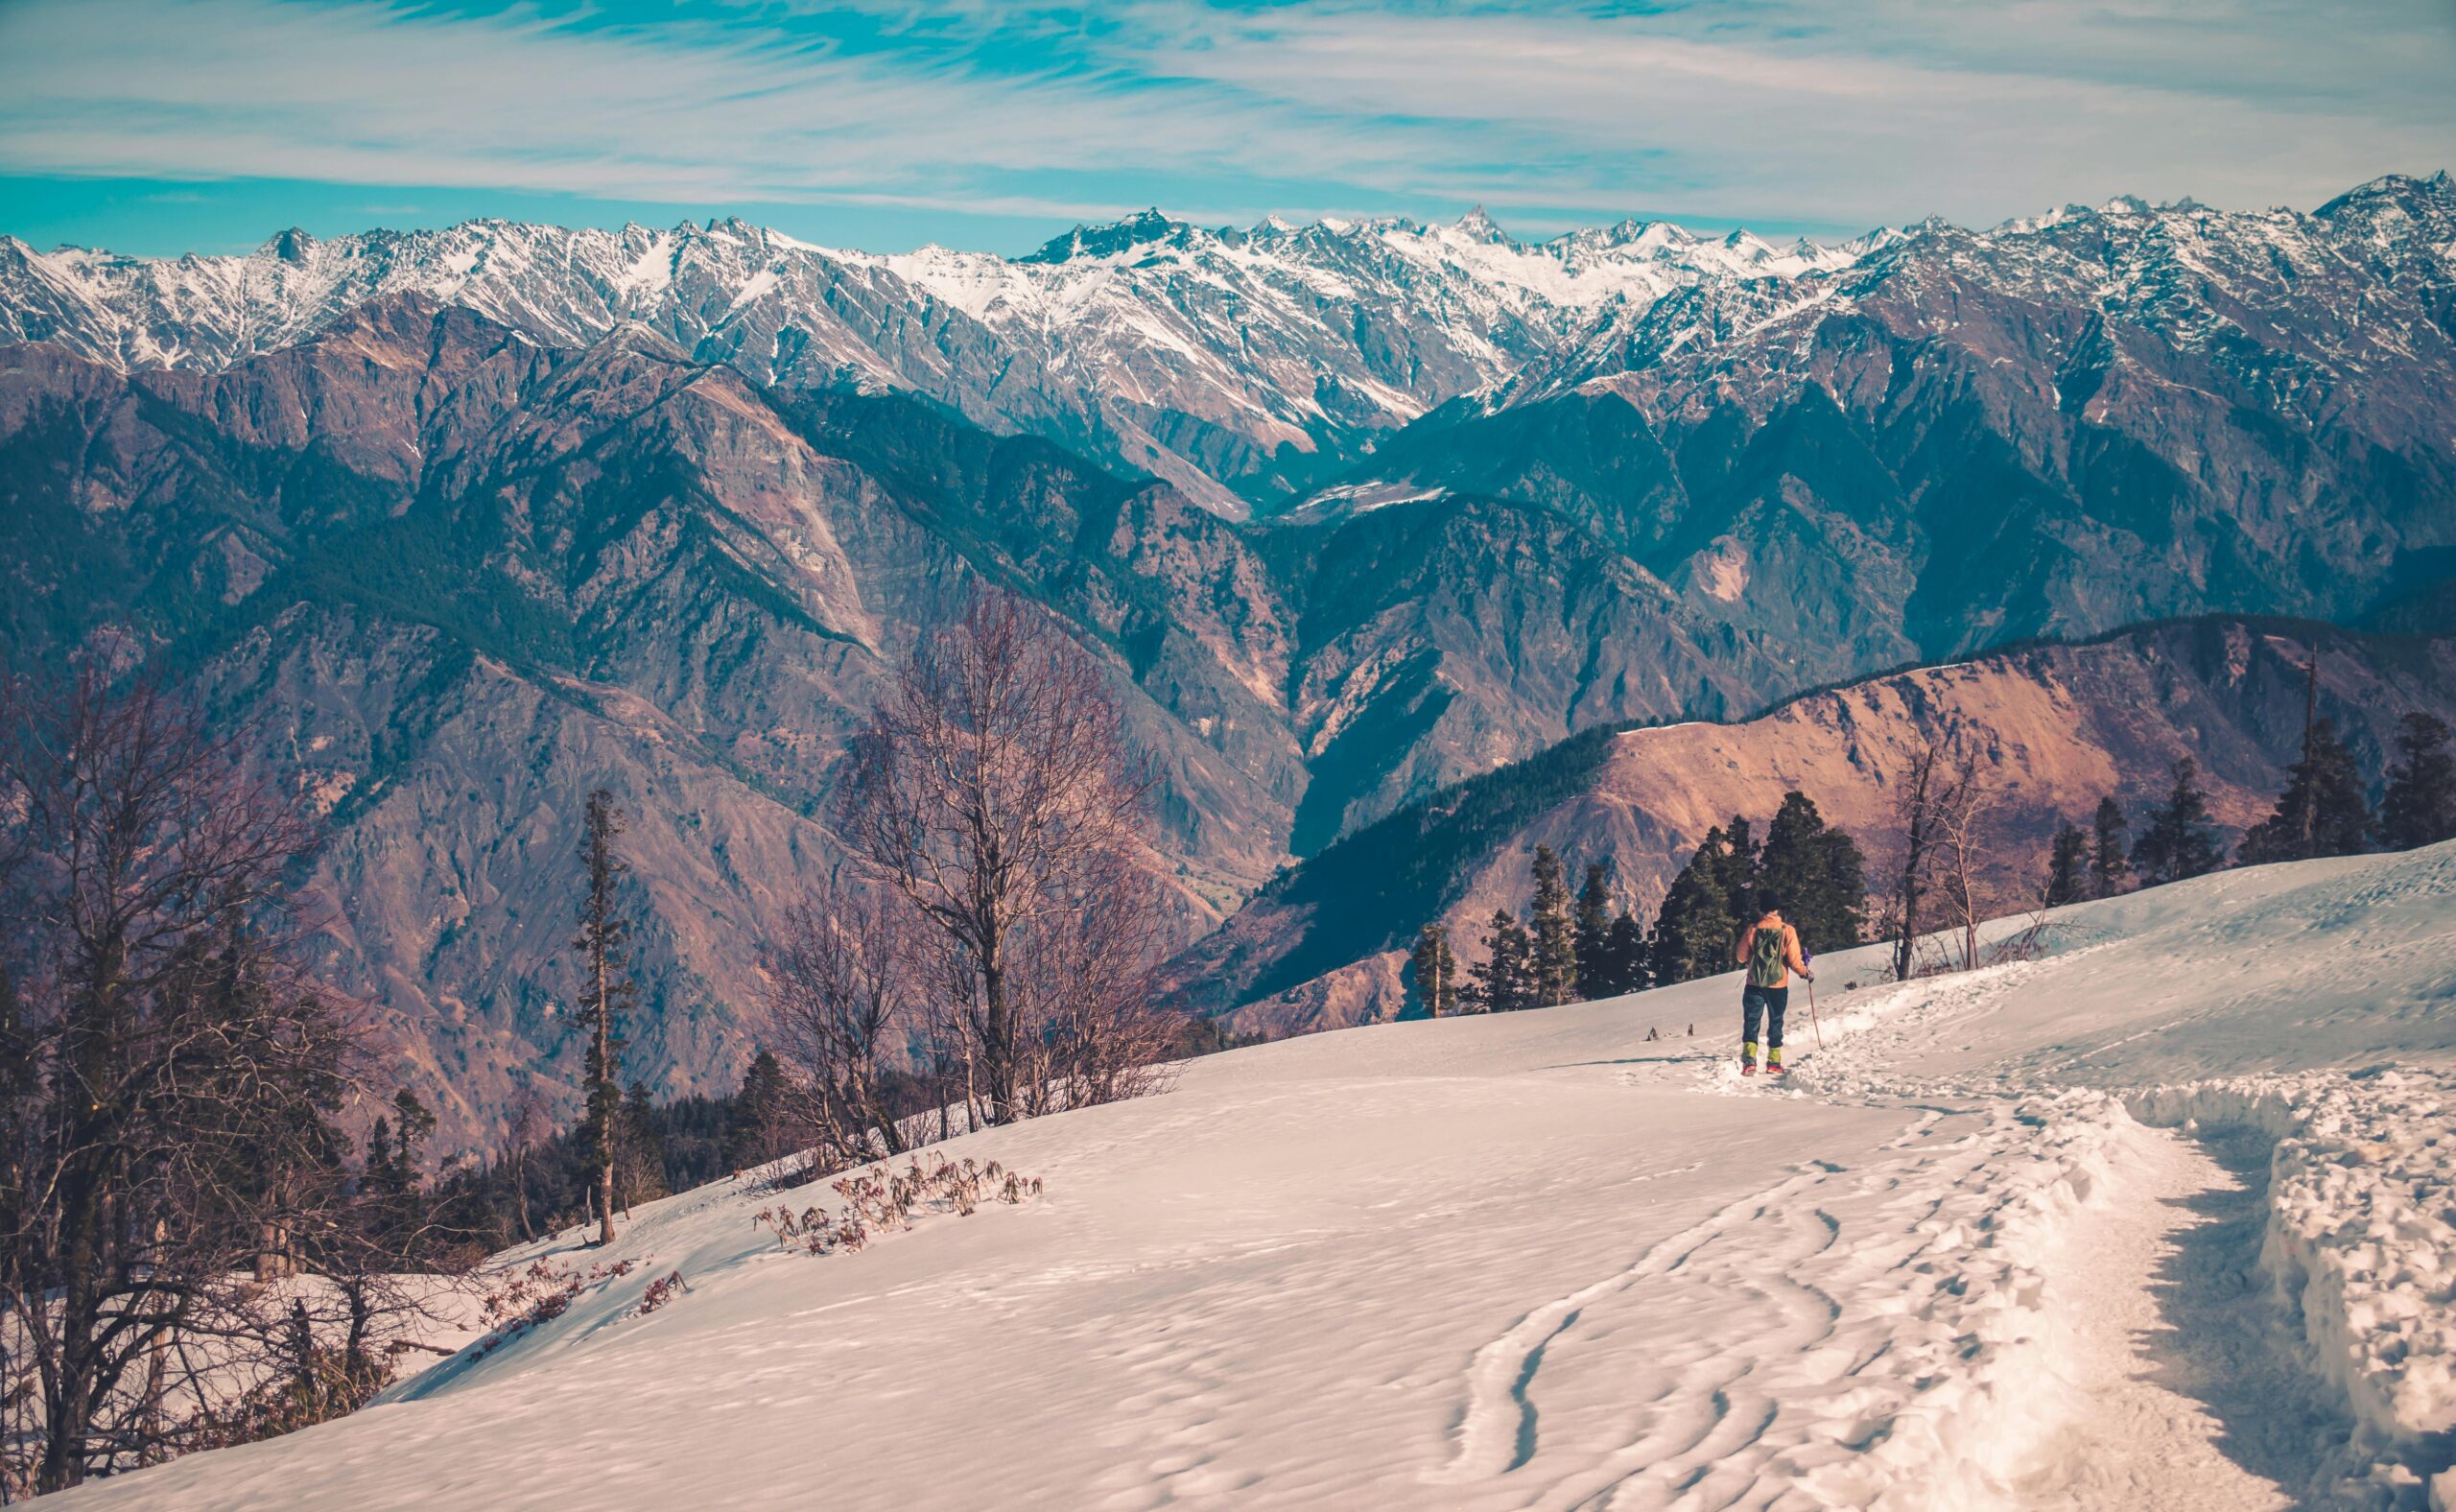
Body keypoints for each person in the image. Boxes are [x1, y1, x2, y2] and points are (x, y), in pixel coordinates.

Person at [1734, 889, 1811, 1076]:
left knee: (1752, 1021)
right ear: (1777, 908)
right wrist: (1805, 973)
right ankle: (1774, 1062)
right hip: (1778, 986)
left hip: (1755, 983)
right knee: (1776, 1021)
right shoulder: (1787, 930)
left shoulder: (1753, 929)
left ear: (1762, 908)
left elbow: (1740, 956)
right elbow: (1794, 961)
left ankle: (1749, 1061)